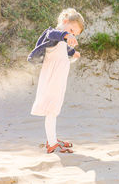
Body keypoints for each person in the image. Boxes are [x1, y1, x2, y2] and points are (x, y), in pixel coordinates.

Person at [28, 8, 84, 153]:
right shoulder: (52, 33)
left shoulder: (61, 40)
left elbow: (62, 48)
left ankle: (52, 138)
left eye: (74, 34)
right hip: (52, 78)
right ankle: (52, 142)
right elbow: (54, 35)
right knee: (51, 109)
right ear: (65, 22)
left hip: (59, 78)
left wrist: (73, 52)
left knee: (54, 108)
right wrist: (66, 34)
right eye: (71, 30)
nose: (71, 35)